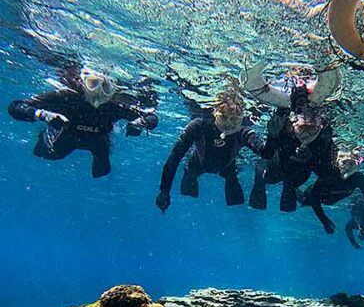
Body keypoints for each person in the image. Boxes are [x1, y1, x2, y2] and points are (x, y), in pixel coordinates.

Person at [8, 67, 158, 178]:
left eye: (106, 88)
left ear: (113, 91)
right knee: (44, 154)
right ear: (82, 83)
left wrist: (140, 122)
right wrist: (42, 114)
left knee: (102, 172)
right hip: (68, 134)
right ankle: (45, 134)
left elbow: (151, 118)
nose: (98, 93)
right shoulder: (66, 97)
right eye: (93, 84)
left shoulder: (115, 106)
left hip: (98, 139)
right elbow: (15, 107)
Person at [155, 91, 267, 212]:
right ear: (215, 113)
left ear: (241, 118)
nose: (229, 124)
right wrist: (164, 190)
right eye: (224, 117)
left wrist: (273, 135)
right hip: (196, 164)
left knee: (233, 186)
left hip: (228, 168)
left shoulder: (242, 131)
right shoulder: (198, 125)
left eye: (234, 119)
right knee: (190, 177)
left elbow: (264, 152)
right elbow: (174, 157)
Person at [249, 84, 335, 213]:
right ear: (293, 125)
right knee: (263, 170)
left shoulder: (323, 138)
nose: (306, 136)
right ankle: (266, 188)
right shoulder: (284, 130)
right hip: (276, 169)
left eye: (312, 130)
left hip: (299, 176)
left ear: (320, 127)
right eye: (302, 129)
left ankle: (290, 188)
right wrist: (272, 135)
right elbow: (266, 155)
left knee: (290, 185)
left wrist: (311, 158)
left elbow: (326, 173)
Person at [296, 148, 364, 234]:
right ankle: (290, 185)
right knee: (304, 200)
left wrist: (363, 223)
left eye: (351, 163)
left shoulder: (358, 178)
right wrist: (324, 220)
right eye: (343, 161)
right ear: (336, 160)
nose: (347, 165)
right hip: (312, 196)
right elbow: (314, 199)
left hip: (330, 199)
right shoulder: (327, 174)